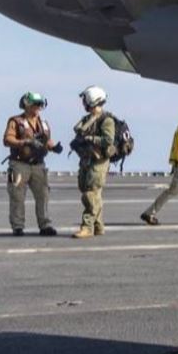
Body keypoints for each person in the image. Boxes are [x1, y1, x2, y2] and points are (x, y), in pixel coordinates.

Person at [3, 92, 61, 236]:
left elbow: (47, 141)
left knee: (43, 195)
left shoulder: (44, 124)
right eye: (35, 104)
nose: (38, 107)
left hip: (38, 165)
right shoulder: (16, 121)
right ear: (27, 105)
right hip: (19, 164)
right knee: (17, 196)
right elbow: (7, 140)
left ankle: (45, 224)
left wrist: (54, 147)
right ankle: (18, 226)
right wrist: (25, 142)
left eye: (40, 104)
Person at [71, 86, 116, 240]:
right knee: (90, 192)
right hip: (86, 160)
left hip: (98, 162)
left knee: (90, 194)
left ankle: (87, 227)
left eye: (85, 99)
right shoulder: (87, 119)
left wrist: (91, 139)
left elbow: (108, 140)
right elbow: (78, 132)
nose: (84, 102)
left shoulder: (106, 120)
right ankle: (98, 226)